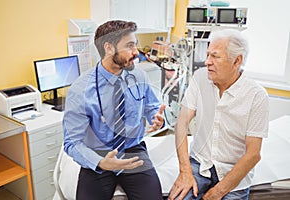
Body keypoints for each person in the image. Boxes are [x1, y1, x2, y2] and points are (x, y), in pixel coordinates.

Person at [63, 20, 165, 200]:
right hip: (98, 154)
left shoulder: (139, 75)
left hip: (133, 149)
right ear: (109, 48)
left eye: (136, 45)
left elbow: (151, 105)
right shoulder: (81, 90)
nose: (136, 52)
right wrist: (101, 162)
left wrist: (155, 116)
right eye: (130, 46)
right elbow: (72, 142)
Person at [168, 29, 269, 200]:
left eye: (215, 56)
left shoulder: (256, 95)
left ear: (237, 61)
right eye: (207, 55)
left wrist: (216, 193)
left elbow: (253, 154)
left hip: (233, 171)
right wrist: (185, 171)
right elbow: (181, 123)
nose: (207, 62)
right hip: (200, 164)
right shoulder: (200, 78)